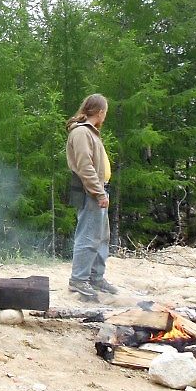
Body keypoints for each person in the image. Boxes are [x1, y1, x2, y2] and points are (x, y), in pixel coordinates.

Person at [65, 94, 119, 297]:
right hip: (90, 192)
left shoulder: (92, 133)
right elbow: (85, 166)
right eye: (105, 111)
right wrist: (98, 192)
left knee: (101, 237)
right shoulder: (81, 133)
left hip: (99, 189)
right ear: (100, 112)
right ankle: (79, 280)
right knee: (88, 236)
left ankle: (96, 278)